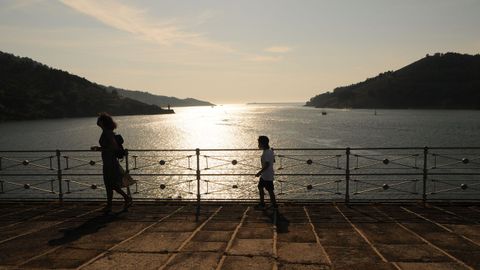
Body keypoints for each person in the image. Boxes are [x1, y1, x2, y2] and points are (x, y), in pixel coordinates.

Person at [91, 113, 132, 213]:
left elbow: (114, 147)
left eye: (99, 120)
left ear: (103, 122)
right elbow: (111, 146)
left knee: (110, 183)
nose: (98, 122)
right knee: (109, 184)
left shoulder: (107, 133)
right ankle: (111, 204)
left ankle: (124, 198)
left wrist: (99, 148)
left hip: (110, 161)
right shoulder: (106, 132)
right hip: (108, 160)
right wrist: (100, 148)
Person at [255, 135, 277, 209]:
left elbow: (267, 165)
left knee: (269, 190)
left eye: (259, 143)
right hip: (268, 174)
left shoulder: (266, 153)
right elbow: (273, 161)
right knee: (262, 187)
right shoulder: (270, 151)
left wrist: (259, 172)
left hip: (266, 175)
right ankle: (268, 204)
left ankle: (268, 204)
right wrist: (273, 153)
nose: (258, 145)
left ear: (263, 144)